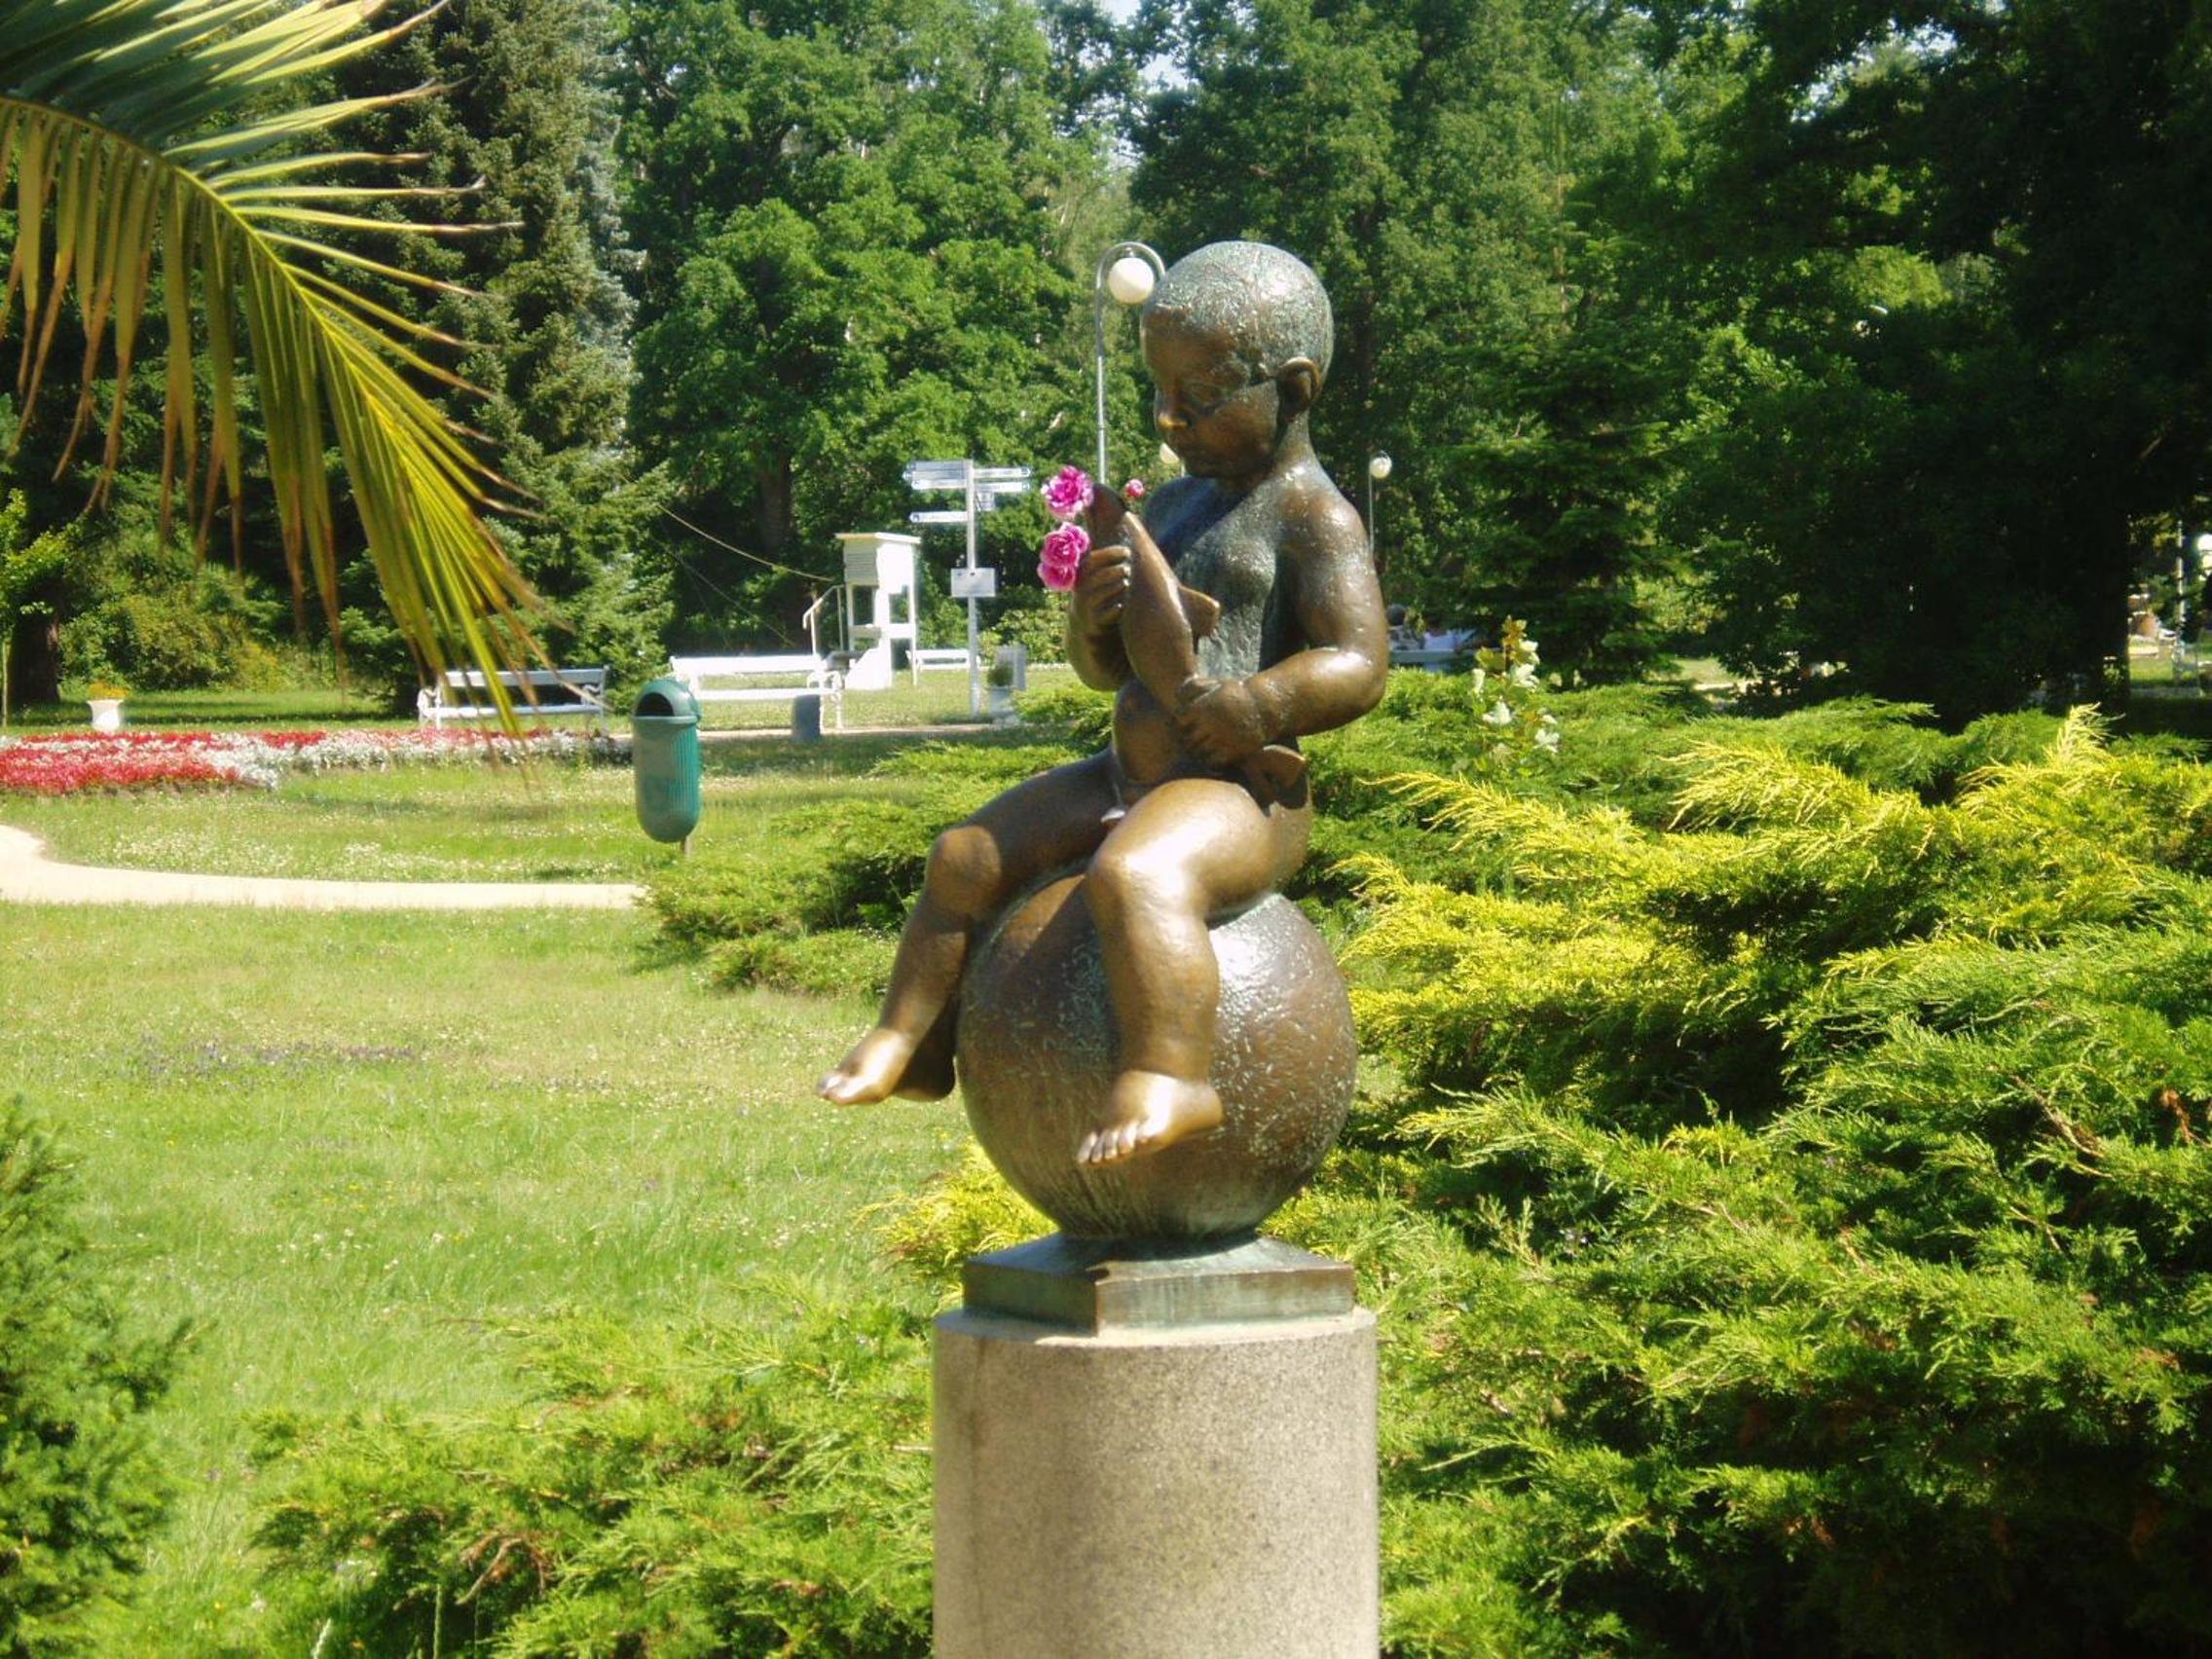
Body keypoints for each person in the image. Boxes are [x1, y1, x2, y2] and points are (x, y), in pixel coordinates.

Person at [819, 241, 1388, 1165]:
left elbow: (1360, 662)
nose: (1169, 417)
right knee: (965, 857)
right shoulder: (1170, 506)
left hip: (1242, 795)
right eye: (1159, 391)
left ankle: (1174, 1074)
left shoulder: (1314, 517)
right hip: (1131, 774)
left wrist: (1258, 703)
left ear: (1294, 388)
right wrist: (1092, 622)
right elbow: (1106, 672)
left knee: (1138, 876)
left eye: (1198, 396)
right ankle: (913, 1042)